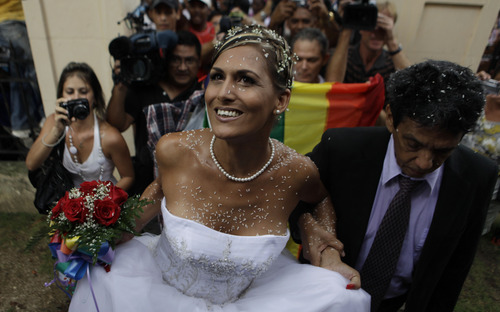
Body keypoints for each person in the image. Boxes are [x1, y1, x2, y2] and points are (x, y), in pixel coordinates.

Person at [69, 25, 370, 311]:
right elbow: (155, 196)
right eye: (216, 77)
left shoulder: (296, 171)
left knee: (344, 297)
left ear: (281, 99)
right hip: (157, 294)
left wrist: (327, 249)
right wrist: (93, 233)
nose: (223, 93)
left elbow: (318, 199)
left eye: (245, 80)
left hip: (257, 299)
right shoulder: (175, 151)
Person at [291, 60, 498, 312]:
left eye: (443, 151)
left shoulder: (477, 176)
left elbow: (455, 267)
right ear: (390, 118)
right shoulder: (341, 149)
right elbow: (289, 203)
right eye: (413, 144)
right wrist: (313, 232)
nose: (424, 162)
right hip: (320, 297)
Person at [107, 30, 203, 197]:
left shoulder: (203, 95)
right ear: (166, 59)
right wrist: (121, 84)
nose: (182, 67)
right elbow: (117, 124)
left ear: (199, 62)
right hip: (146, 186)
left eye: (189, 60)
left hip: (191, 187)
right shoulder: (144, 89)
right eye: (175, 59)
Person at [25, 62, 134, 191]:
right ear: (61, 96)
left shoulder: (110, 137)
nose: (76, 98)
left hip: (104, 203)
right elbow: (32, 164)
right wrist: (56, 131)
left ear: (95, 97)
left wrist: (103, 201)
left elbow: (128, 176)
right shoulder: (52, 122)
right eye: (69, 92)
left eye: (83, 92)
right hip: (68, 204)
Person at [326, 0, 410, 83]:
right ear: (360, 28)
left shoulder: (392, 62)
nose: (375, 34)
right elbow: (332, 83)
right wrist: (347, 27)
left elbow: (412, 85)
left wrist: (392, 42)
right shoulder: (346, 56)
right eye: (371, 26)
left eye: (382, 29)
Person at [0, 0, 44, 143]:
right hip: (7, 19)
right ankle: (46, 110)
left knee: (20, 69)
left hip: (29, 14)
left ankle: (22, 123)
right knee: (35, 62)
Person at [462, 73, 500, 236]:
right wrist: (471, 82)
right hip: (456, 172)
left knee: (471, 232)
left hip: (489, 189)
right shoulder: (477, 98)